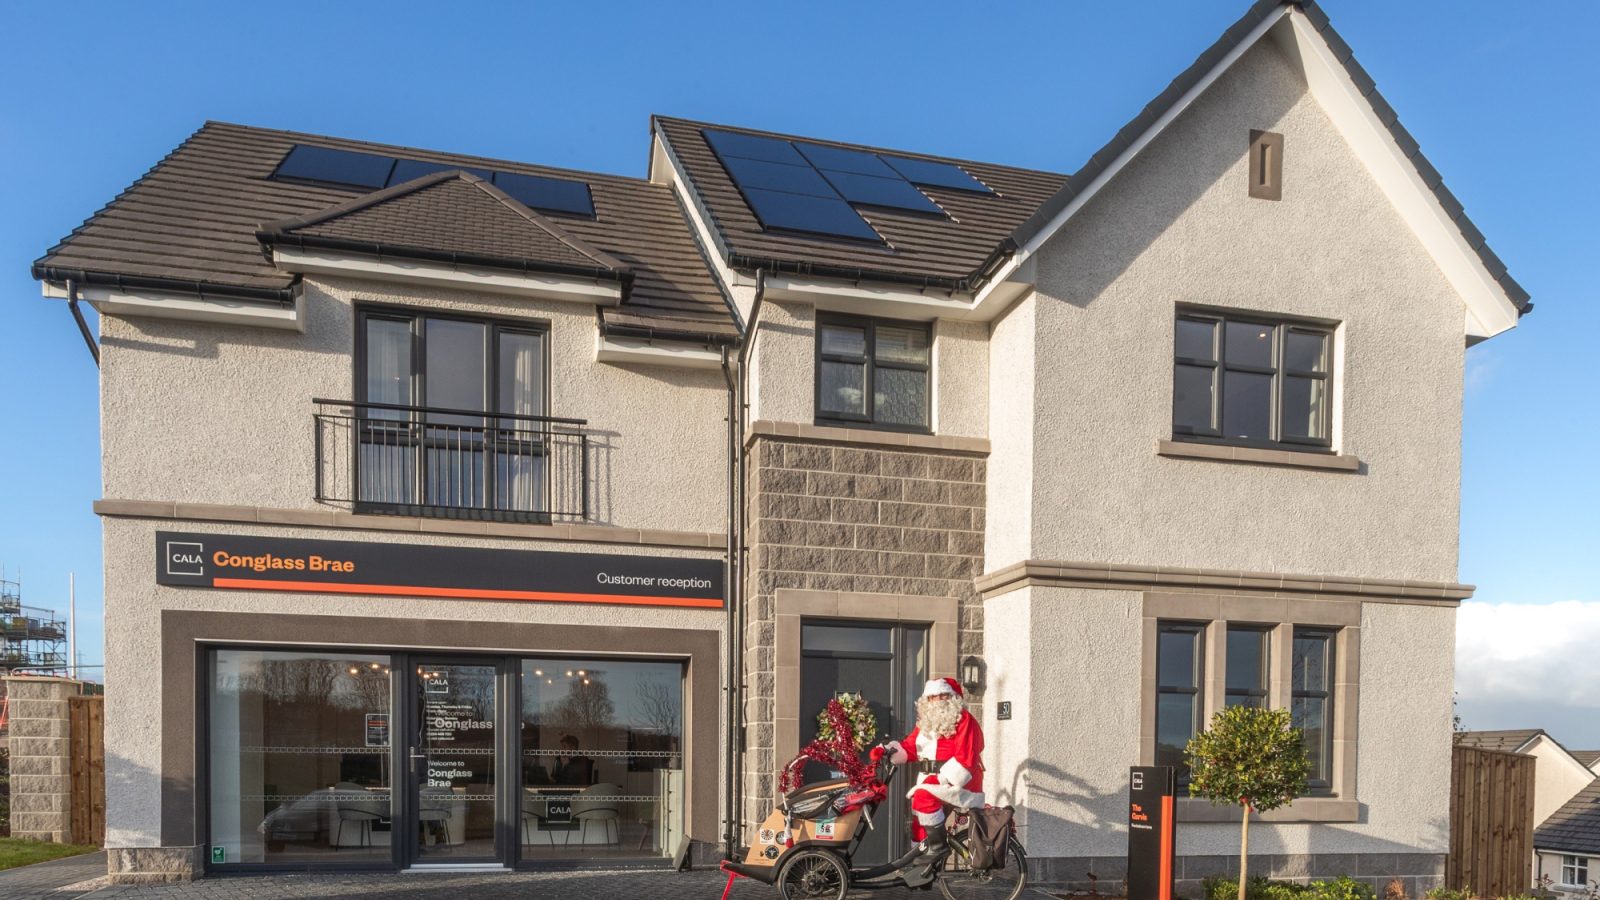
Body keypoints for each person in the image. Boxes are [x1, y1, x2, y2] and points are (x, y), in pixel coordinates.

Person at [871, 677, 984, 885]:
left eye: (943, 695)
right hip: (931, 777)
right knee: (919, 820)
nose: (937, 700)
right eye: (932, 697)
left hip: (959, 779)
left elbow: (966, 758)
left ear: (953, 697)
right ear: (926, 700)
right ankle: (923, 873)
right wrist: (887, 750)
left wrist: (941, 777)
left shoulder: (964, 719)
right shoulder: (927, 723)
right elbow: (911, 746)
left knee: (923, 796)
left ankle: (939, 848)